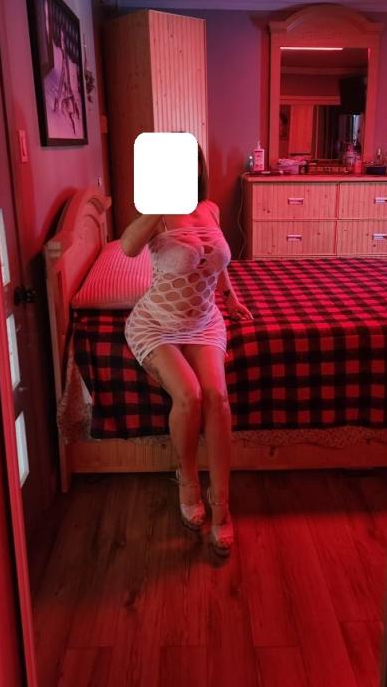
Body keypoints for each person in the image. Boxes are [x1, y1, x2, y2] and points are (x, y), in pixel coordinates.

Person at [120, 144, 253, 557]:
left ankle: (221, 504)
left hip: (204, 322)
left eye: (190, 162)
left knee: (217, 398)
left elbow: (219, 262)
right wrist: (158, 203)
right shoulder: (155, 215)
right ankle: (188, 481)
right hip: (156, 324)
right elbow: (127, 248)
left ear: (197, 167)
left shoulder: (210, 208)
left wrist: (230, 297)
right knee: (190, 395)